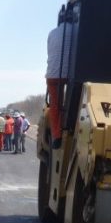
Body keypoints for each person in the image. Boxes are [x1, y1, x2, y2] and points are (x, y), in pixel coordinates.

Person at [46, 9, 73, 149]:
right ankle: (69, 126)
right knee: (69, 102)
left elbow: (49, 52)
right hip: (70, 75)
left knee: (55, 106)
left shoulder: (52, 33)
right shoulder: (75, 31)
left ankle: (57, 136)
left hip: (52, 74)